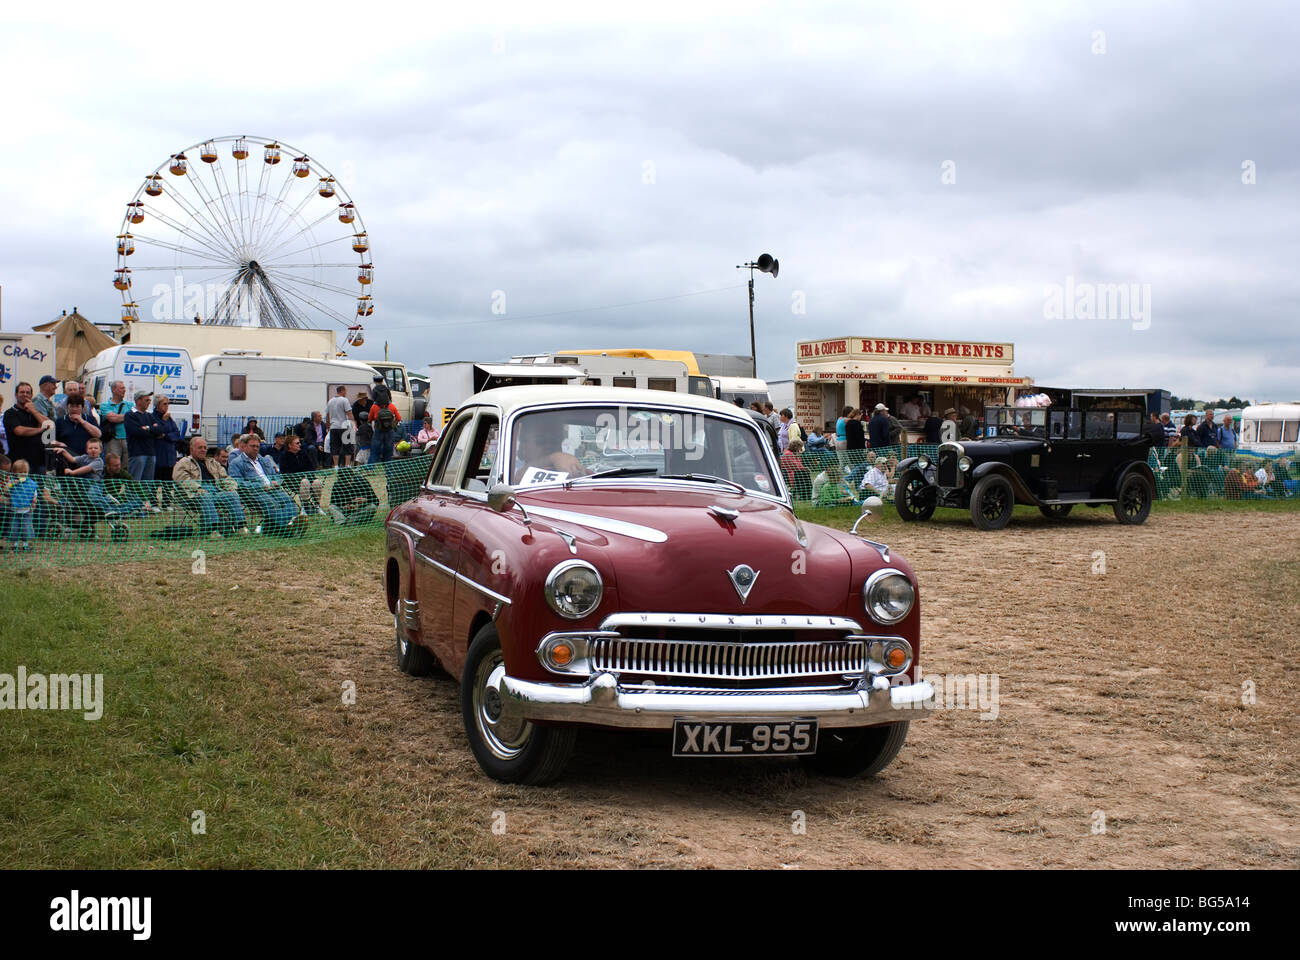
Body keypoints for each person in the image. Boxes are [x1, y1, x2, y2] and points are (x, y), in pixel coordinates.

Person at [174, 435, 248, 537]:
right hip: (193, 496)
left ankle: (240, 527)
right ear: (192, 449)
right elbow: (182, 480)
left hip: (216, 492)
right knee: (206, 495)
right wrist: (198, 488)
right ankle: (212, 530)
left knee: (232, 494)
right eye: (200, 447)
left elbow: (225, 477)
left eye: (205, 448)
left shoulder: (213, 462)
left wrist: (231, 487)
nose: (203, 450)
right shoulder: (183, 463)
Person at [227, 434, 298, 534]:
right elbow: (237, 483)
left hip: (273, 488)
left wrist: (276, 482)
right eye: (253, 446)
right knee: (272, 503)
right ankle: (285, 527)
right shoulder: (236, 463)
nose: (256, 449)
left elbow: (276, 475)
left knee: (288, 500)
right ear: (245, 446)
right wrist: (260, 486)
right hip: (254, 492)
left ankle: (290, 524)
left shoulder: (264, 460)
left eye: (257, 446)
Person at [513, 418, 587, 482]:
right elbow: (518, 477)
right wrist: (553, 458)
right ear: (523, 446)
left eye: (555, 441)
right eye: (540, 441)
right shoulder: (513, 469)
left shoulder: (571, 472)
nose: (548, 446)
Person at [3, 382, 52, 475]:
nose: (25, 394)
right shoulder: (10, 413)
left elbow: (49, 425)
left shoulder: (34, 412)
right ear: (16, 395)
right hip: (20, 463)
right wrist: (40, 429)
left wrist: (33, 411)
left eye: (27, 392)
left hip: (39, 461)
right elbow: (19, 431)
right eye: (22, 392)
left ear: (31, 395)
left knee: (39, 489)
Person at [124, 389, 164, 488]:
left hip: (150, 452)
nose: (149, 402)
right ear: (138, 401)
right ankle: (133, 502)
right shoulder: (130, 415)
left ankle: (145, 502)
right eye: (146, 400)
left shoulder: (149, 415)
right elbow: (136, 432)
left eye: (149, 400)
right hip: (137, 453)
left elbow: (160, 429)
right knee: (135, 483)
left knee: (147, 484)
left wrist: (147, 428)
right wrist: (152, 430)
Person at [153, 394, 185, 510]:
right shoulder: (153, 417)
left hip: (170, 453)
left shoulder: (169, 418)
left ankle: (166, 503)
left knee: (168, 480)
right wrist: (164, 422)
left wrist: (166, 436)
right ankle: (154, 503)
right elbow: (157, 432)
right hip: (159, 452)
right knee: (155, 480)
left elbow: (176, 433)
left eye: (168, 404)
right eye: (164, 404)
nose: (167, 406)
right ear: (158, 405)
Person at [279, 433, 325, 514]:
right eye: (297, 443)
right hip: (292, 481)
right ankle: (305, 507)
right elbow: (285, 472)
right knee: (304, 482)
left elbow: (311, 467)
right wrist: (302, 476)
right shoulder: (284, 456)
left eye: (299, 442)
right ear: (290, 445)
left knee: (317, 482)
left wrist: (310, 476)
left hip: (307, 478)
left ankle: (317, 506)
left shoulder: (303, 453)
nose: (300, 444)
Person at [98, 380, 131, 468]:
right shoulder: (104, 405)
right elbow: (112, 418)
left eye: (124, 388)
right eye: (122, 388)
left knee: (127, 466)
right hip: (113, 439)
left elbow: (135, 417)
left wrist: (118, 417)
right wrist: (128, 416)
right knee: (113, 466)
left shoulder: (130, 404)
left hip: (128, 439)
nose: (124, 390)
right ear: (113, 390)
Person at [7, 459, 38, 550]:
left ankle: (25, 545)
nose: (23, 474)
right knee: (14, 528)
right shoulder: (12, 482)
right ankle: (14, 545)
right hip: (14, 510)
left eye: (25, 472)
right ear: (15, 473)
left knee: (26, 528)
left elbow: (34, 492)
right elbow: (6, 489)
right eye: (20, 472)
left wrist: (34, 500)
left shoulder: (31, 483)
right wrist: (11, 484)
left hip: (26, 511)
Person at [325, 385, 355, 467]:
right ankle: (347, 465)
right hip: (344, 426)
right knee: (347, 446)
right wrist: (353, 424)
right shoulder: (344, 400)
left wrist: (328, 426)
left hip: (334, 427)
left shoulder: (330, 401)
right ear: (342, 391)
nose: (346, 393)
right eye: (345, 391)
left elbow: (327, 415)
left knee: (334, 447)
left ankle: (336, 466)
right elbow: (349, 413)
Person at [368, 393, 402, 464]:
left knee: (375, 450)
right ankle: (388, 470)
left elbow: (369, 419)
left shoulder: (374, 406)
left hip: (378, 431)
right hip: (389, 431)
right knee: (389, 451)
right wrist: (393, 425)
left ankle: (370, 468)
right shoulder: (392, 406)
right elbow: (398, 418)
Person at [352, 390, 374, 465]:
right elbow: (354, 419)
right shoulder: (355, 405)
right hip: (360, 426)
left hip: (370, 425)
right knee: (358, 444)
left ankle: (369, 464)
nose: (359, 401)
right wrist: (355, 427)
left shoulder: (371, 403)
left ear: (365, 399)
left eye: (361, 400)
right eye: (358, 400)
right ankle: (357, 463)